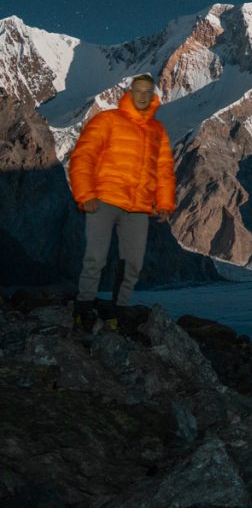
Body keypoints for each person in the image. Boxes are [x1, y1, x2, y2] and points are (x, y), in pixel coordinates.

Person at [68, 72, 176, 329]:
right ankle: (83, 309)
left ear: (153, 96)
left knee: (133, 263)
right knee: (95, 257)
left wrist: (164, 203)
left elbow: (164, 170)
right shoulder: (107, 120)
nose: (142, 95)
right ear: (129, 93)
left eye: (147, 92)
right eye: (137, 90)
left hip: (137, 207)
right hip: (104, 200)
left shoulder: (157, 131)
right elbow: (83, 157)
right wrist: (85, 195)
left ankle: (118, 312)